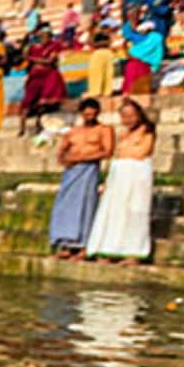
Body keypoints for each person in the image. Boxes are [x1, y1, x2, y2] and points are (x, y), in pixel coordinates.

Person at [84, 99, 158, 265]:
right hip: (119, 176)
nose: (128, 119)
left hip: (136, 175)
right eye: (124, 116)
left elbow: (142, 152)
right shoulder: (124, 135)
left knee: (134, 213)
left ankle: (133, 253)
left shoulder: (147, 130)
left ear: (139, 114)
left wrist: (127, 153)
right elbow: (118, 154)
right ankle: (110, 250)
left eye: (131, 115)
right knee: (114, 213)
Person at [50, 99, 114, 259]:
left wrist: (83, 158)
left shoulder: (104, 130)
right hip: (71, 172)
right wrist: (65, 160)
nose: (89, 116)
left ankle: (84, 247)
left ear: (98, 113)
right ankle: (66, 245)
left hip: (89, 171)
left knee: (86, 207)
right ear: (81, 113)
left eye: (92, 113)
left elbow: (107, 151)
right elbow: (61, 152)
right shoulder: (73, 131)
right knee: (65, 207)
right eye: (86, 113)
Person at [19, 28, 67, 134]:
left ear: (50, 37)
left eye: (46, 36)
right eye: (41, 36)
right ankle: (21, 128)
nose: (43, 39)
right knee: (27, 102)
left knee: (42, 101)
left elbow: (50, 61)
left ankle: (38, 124)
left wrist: (31, 59)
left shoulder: (54, 46)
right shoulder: (34, 48)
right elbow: (24, 57)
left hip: (48, 75)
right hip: (35, 75)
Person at [121, 9, 164, 95]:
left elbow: (156, 51)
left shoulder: (154, 37)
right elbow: (126, 41)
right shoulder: (128, 28)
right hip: (136, 63)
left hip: (142, 64)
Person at [84, 31, 116, 99]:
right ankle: (107, 92)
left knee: (97, 73)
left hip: (98, 53)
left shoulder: (97, 36)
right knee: (108, 73)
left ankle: (96, 92)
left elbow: (91, 43)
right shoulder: (105, 37)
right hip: (108, 53)